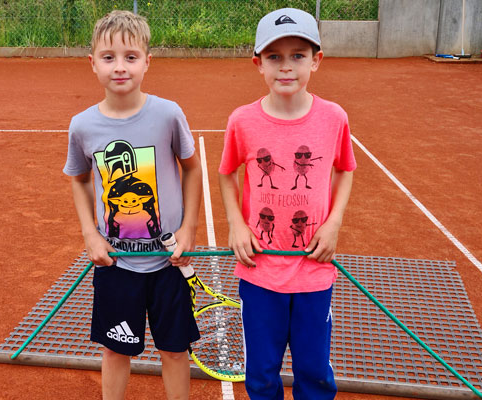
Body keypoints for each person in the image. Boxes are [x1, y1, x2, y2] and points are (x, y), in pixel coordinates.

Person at [63, 10, 202, 400]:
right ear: (92, 63)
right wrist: (91, 233)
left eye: (130, 57)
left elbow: (192, 170)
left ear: (147, 62)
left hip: (168, 263)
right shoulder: (83, 125)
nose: (120, 67)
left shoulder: (168, 114)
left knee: (175, 351)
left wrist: (189, 228)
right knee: (115, 349)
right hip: (116, 264)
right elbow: (79, 178)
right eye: (108, 57)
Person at [218, 8, 357, 399]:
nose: (286, 66)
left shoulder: (333, 118)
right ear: (258, 63)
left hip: (314, 271)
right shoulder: (242, 121)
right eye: (274, 56)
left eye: (298, 55)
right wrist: (236, 224)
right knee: (261, 373)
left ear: (317, 60)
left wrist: (333, 224)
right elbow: (226, 172)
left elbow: (345, 169)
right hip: (259, 272)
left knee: (313, 371)